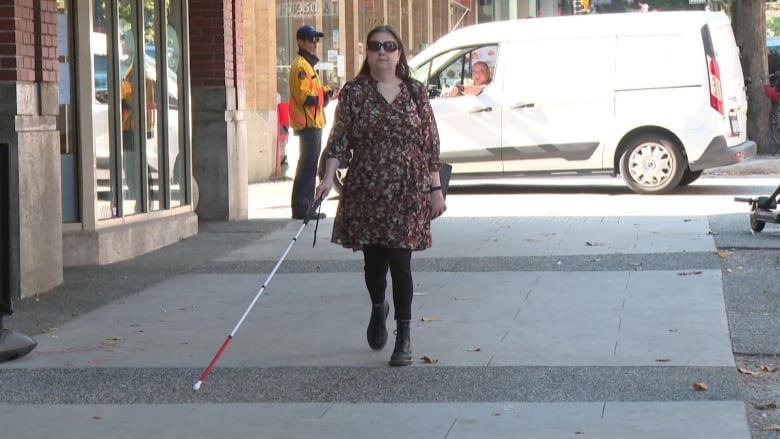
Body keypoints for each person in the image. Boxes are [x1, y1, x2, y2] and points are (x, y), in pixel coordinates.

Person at [315, 25, 447, 367]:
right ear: (368, 54)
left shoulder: (416, 93)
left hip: (408, 190)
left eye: (389, 46)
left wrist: (436, 189)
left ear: (399, 53)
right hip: (367, 190)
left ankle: (404, 336)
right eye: (375, 46)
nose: (382, 52)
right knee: (374, 266)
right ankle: (379, 306)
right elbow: (339, 140)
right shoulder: (355, 93)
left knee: (401, 262)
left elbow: (430, 144)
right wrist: (328, 179)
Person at [288, 24, 337, 220]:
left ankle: (305, 206)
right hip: (308, 124)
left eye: (317, 39)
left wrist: (325, 91)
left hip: (312, 124)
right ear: (300, 42)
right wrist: (325, 96)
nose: (315, 43)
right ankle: (302, 208)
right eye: (311, 40)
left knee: (308, 166)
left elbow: (311, 93)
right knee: (307, 167)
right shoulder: (301, 66)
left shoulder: (307, 65)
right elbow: (306, 98)